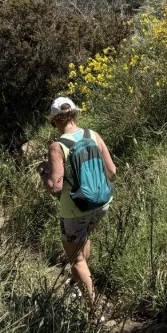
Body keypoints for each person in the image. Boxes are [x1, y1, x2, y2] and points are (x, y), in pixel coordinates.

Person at [40, 96, 117, 305]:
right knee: (83, 240)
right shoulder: (93, 135)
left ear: (55, 120)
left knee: (77, 259)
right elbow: (112, 170)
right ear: (75, 114)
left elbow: (55, 186)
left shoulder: (58, 146)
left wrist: (44, 175)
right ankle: (76, 286)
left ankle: (94, 309)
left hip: (75, 209)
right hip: (102, 203)